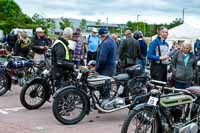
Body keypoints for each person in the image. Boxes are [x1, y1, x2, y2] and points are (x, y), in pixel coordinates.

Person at [96, 28, 117, 104]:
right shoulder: (112, 41)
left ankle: (104, 104)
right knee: (107, 86)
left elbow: (102, 59)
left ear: (101, 35)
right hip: (111, 67)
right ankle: (105, 103)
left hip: (105, 69)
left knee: (104, 87)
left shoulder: (105, 43)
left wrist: (97, 69)